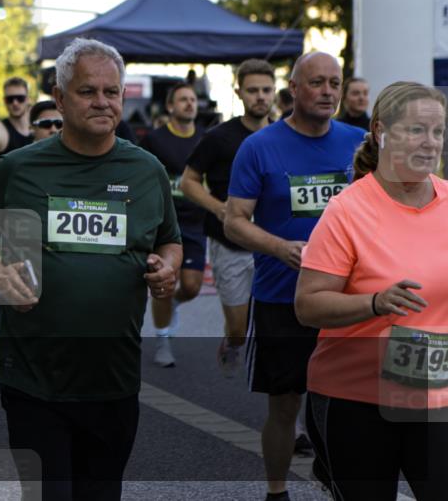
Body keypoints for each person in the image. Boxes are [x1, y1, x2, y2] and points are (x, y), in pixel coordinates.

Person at [0, 37, 181, 499]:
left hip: (113, 377)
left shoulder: (147, 171)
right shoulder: (17, 168)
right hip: (33, 376)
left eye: (112, 91)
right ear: (59, 98)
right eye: (87, 91)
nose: (102, 101)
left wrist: (167, 270)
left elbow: (169, 240)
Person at [293, 81, 447, 501]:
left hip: (434, 393)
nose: (429, 142)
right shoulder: (348, 210)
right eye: (416, 130)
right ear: (382, 132)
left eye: (437, 132)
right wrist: (375, 303)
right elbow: (307, 306)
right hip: (355, 397)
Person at [224, 51, 365, 501]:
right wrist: (280, 248)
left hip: (347, 298)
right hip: (281, 297)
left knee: (347, 404)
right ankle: (276, 490)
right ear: (294, 90)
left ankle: (336, 479)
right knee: (285, 405)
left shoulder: (361, 143)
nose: (327, 92)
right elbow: (234, 221)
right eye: (317, 83)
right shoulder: (260, 147)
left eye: (335, 83)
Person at [181, 58, 275, 377]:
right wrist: (218, 207)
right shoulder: (219, 137)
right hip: (229, 242)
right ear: (239, 92)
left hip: (274, 244)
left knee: (272, 322)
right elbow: (188, 182)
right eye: (253, 90)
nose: (260, 96)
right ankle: (231, 343)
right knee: (238, 327)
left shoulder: (284, 135)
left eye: (266, 90)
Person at [139, 82, 206, 368]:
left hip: (195, 222)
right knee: (164, 282)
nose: (190, 104)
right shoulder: (154, 140)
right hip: (165, 223)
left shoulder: (206, 139)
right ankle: (163, 339)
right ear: (170, 107)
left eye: (193, 99)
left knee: (190, 287)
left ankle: (172, 306)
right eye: (183, 100)